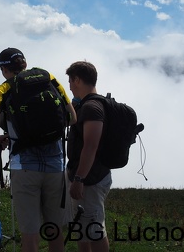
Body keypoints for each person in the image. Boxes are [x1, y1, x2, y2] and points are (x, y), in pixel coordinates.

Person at [0, 48, 76, 252]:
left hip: (24, 167)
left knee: (30, 235)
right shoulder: (48, 77)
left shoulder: (3, 89)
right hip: (56, 165)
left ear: (4, 69)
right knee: (54, 229)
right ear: (24, 63)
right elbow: (73, 117)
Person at [65, 61, 111, 252]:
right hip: (89, 176)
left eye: (70, 80)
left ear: (77, 80)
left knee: (94, 228)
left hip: (89, 180)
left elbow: (90, 146)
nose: (68, 85)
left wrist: (78, 179)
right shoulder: (90, 104)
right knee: (82, 227)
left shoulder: (92, 108)